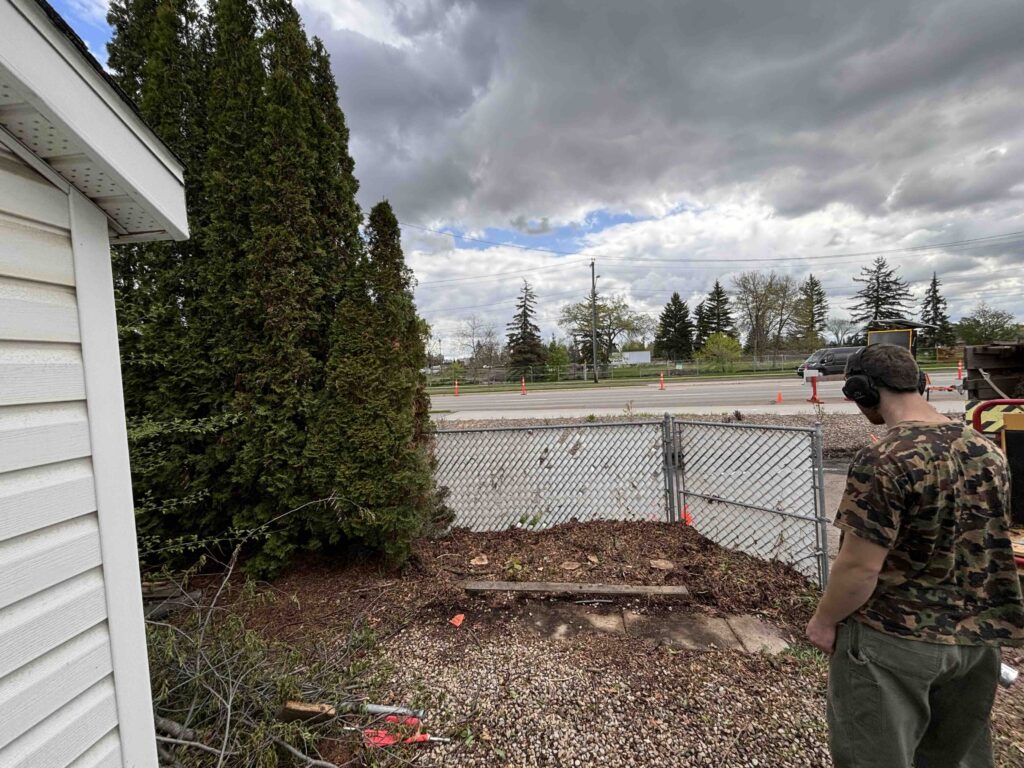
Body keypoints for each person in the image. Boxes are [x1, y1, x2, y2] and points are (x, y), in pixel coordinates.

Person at [806, 343, 1024, 768]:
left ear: (862, 391)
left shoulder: (884, 457)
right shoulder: (987, 449)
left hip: (896, 641)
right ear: (921, 383)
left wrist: (824, 620)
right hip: (977, 643)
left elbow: (859, 566)